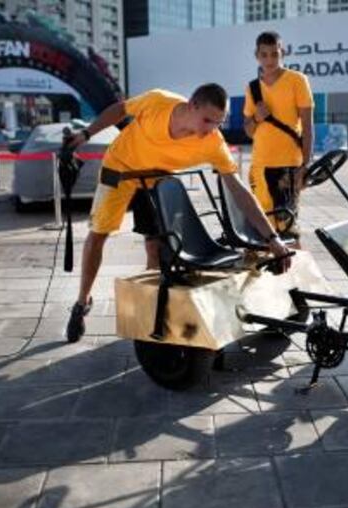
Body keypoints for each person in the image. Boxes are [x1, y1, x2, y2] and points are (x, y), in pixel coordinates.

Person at [64, 83, 291, 343]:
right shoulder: (158, 101)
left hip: (156, 177)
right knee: (98, 235)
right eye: (207, 120)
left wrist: (272, 238)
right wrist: (86, 133)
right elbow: (119, 110)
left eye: (219, 123)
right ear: (191, 105)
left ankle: (152, 311)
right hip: (121, 168)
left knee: (158, 246)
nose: (211, 130)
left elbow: (239, 191)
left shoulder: (212, 142)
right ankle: (82, 302)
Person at [243, 31, 314, 245]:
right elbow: (248, 130)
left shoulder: (297, 80)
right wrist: (256, 117)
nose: (270, 60)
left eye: (275, 54)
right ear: (257, 55)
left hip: (288, 166)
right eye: (264, 55)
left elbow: (308, 127)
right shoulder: (253, 88)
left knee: (288, 227)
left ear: (282, 53)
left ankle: (300, 275)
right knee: (262, 227)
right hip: (260, 165)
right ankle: (273, 273)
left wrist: (305, 165)